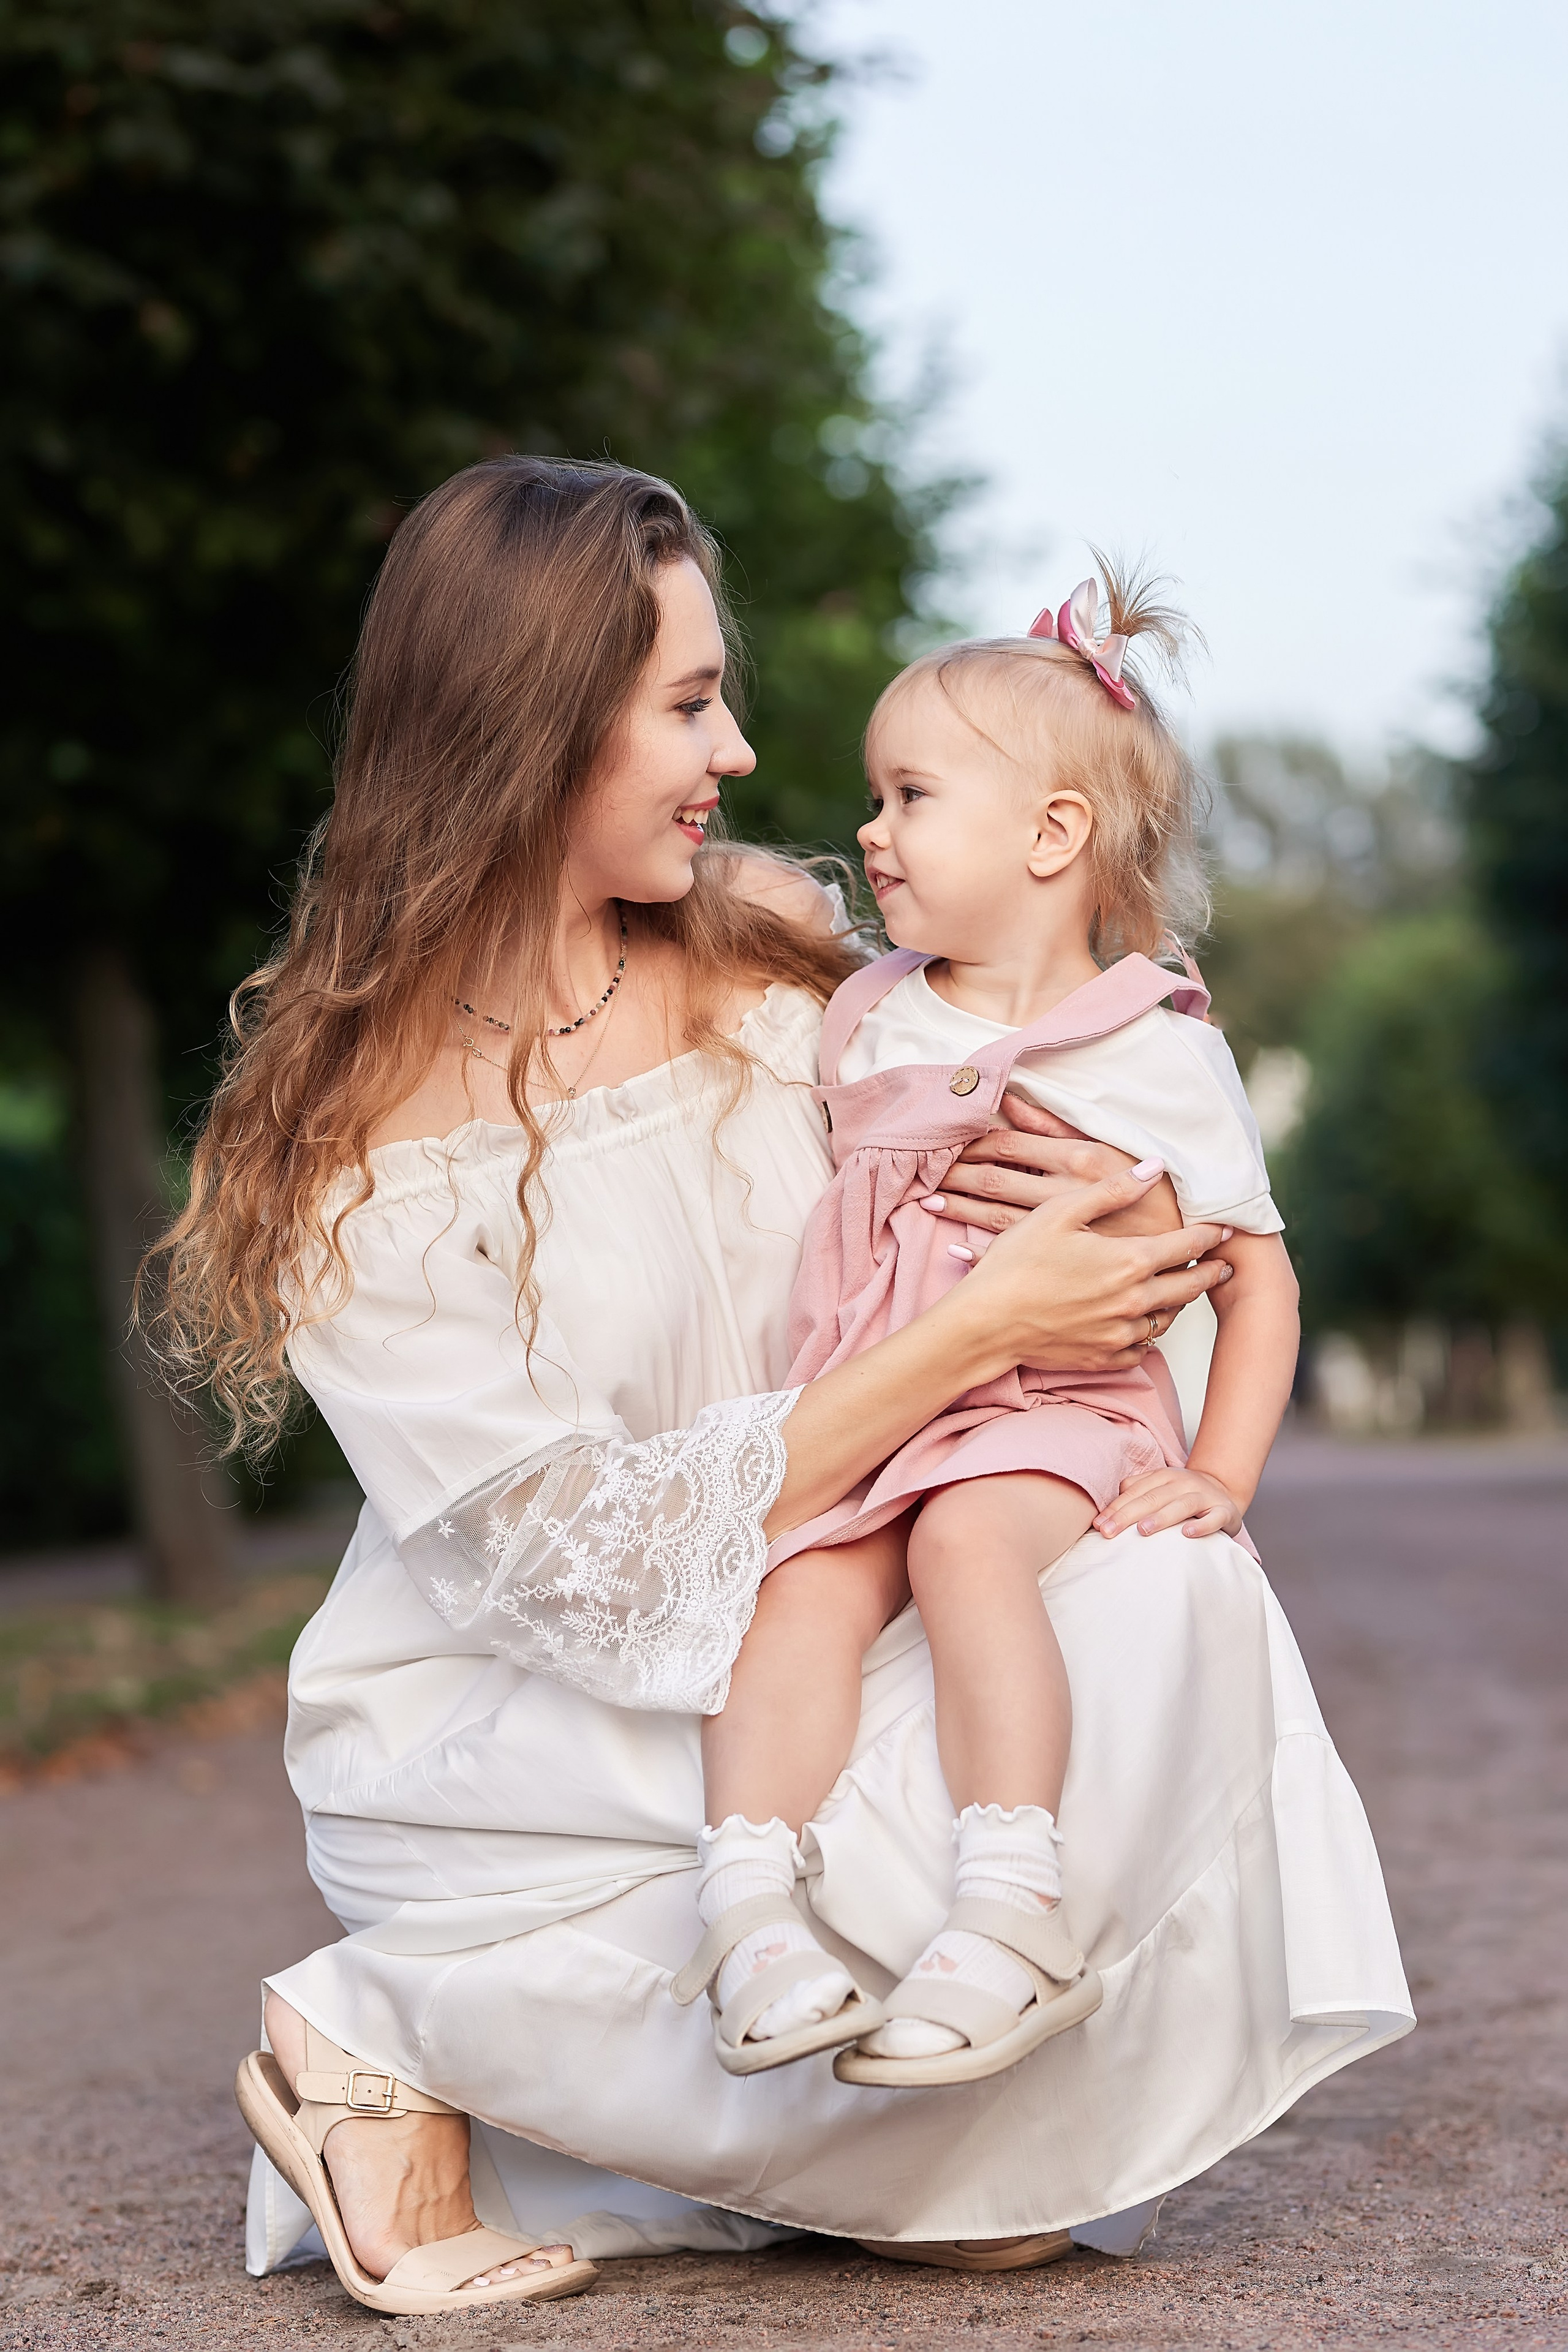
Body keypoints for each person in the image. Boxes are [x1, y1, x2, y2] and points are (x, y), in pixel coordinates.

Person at [155, 457, 1411, 2320]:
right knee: (821, 1762)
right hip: (541, 1712)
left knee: (1161, 1597)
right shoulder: (360, 1150)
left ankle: (818, 2124)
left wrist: (1112, 1214)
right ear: (533, 725)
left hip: (838, 1570)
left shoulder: (775, 957)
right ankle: (392, 2025)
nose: (738, 748)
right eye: (686, 703)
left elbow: (1054, 1098)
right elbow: (580, 1573)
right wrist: (973, 1336)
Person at [692, 573, 1302, 2089]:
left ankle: (1008, 1903)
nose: (875, 833)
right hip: (880, 1386)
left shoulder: (1152, 1048)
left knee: (967, 1545)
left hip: (1055, 1403)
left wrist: (1222, 1475)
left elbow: (1256, 1277)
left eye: (910, 796)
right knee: (800, 1582)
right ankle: (751, 1913)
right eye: (873, 798)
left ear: (1050, 837)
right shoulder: (873, 1007)